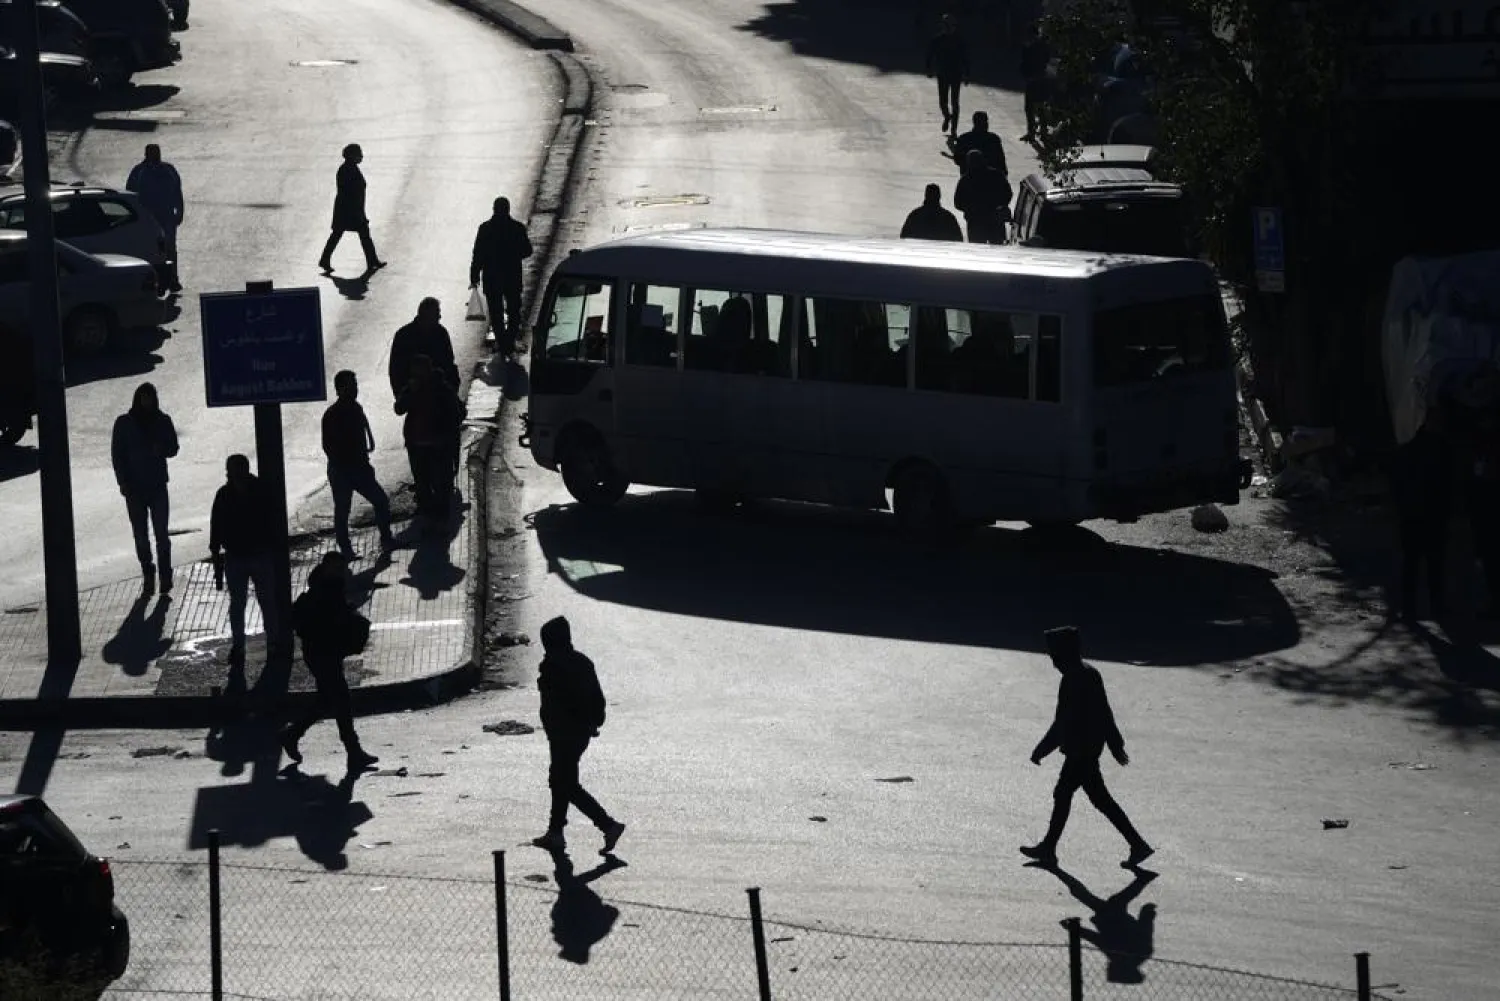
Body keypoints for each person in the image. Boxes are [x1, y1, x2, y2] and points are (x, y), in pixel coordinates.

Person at [1021, 626, 1153, 868]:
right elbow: (1105, 711)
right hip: (1088, 748)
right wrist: (1114, 742)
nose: (1052, 661)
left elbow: (1063, 722)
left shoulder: (1073, 679)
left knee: (1065, 794)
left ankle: (1049, 848)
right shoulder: (1090, 673)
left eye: (1054, 655)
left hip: (1080, 751)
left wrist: (1042, 749)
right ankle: (1137, 844)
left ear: (1064, 653)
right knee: (1098, 799)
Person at [531, 616, 626, 855]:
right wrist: (592, 722)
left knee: (566, 784)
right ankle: (555, 832)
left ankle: (607, 825)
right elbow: (597, 700)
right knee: (560, 780)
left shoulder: (555, 666)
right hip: (576, 733)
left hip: (564, 734)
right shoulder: (581, 662)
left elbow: (558, 704)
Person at [281, 552, 379, 772]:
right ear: (326, 567)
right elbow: (324, 621)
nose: (340, 572)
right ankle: (353, 752)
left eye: (341, 568)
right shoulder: (323, 591)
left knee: (327, 700)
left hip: (326, 652)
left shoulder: (330, 587)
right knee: (341, 700)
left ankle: (292, 734)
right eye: (336, 567)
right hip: (321, 653)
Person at [209, 454, 280, 671]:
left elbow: (216, 530)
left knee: (252, 602)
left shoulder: (228, 494)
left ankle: (252, 645)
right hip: (244, 555)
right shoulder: (255, 490)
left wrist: (216, 560)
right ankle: (262, 645)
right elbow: (216, 529)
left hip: (247, 555)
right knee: (256, 602)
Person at [110, 382, 179, 594]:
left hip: (157, 485)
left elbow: (174, 448)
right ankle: (148, 571)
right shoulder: (124, 423)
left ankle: (165, 576)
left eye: (150, 397)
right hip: (134, 489)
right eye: (143, 397)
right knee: (140, 535)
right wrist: (122, 482)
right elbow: (117, 455)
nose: (147, 401)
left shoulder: (163, 420)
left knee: (161, 535)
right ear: (137, 398)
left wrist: (162, 449)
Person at [1390, 402, 1456, 622]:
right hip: (1429, 515)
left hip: (1414, 515)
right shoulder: (1442, 450)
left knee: (1414, 564)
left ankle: (1411, 609)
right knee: (1431, 564)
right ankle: (1435, 608)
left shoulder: (1409, 450)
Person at [322, 370, 394, 559]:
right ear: (338, 389)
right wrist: (348, 464)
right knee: (343, 510)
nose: (354, 389)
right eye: (349, 385)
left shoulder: (356, 409)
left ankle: (386, 540)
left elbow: (365, 439)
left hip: (359, 468)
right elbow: (328, 446)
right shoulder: (333, 414)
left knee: (380, 501)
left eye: (355, 385)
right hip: (342, 470)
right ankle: (346, 549)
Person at [394, 354, 465, 526]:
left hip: (438, 446)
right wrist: (410, 391)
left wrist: (445, 434)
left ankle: (440, 522)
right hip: (417, 445)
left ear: (428, 370)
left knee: (441, 486)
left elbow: (457, 413)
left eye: (420, 371)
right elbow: (399, 408)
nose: (417, 375)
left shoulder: (442, 389)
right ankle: (428, 521)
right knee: (422, 485)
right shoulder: (412, 388)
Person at [469, 196, 534, 356]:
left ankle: (502, 341)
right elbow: (527, 251)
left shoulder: (485, 229)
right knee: (514, 311)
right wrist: (513, 254)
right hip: (512, 277)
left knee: (496, 313)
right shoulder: (517, 228)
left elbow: (478, 254)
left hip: (492, 278)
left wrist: (474, 275)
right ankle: (509, 341)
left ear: (494, 209)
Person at [125, 143, 184, 293]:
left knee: (170, 249)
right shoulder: (138, 171)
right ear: (146, 154)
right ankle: (155, 282)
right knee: (151, 250)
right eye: (152, 152)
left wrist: (180, 211)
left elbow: (177, 191)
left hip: (167, 217)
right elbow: (130, 195)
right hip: (148, 219)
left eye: (157, 152)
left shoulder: (168, 170)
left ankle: (173, 279)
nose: (155, 155)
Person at [318, 143, 385, 274]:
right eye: (359, 154)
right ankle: (372, 261)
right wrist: (358, 212)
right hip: (349, 210)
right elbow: (350, 192)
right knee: (357, 234)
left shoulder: (349, 168)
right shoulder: (347, 169)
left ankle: (372, 261)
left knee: (342, 234)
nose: (361, 156)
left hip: (349, 209)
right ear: (352, 156)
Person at [388, 297, 461, 400]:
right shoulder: (404, 336)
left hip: (439, 393)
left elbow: (449, 362)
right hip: (414, 395)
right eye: (436, 313)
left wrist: (452, 389)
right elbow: (396, 369)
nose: (440, 317)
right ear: (426, 315)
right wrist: (402, 395)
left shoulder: (441, 333)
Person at [953, 149, 1012, 244]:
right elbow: (1007, 194)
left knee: (977, 250)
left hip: (975, 222)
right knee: (997, 249)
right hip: (995, 220)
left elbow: (958, 202)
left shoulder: (966, 179)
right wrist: (999, 206)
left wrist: (970, 209)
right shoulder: (996, 175)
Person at [925, 14, 969, 136]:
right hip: (943, 73)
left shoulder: (959, 40)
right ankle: (947, 116)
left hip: (956, 73)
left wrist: (966, 73)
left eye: (952, 26)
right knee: (943, 102)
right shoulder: (937, 40)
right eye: (947, 26)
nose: (950, 28)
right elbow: (930, 55)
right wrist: (929, 68)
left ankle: (954, 128)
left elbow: (965, 57)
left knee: (955, 102)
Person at [1020, 25, 1052, 142]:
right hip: (1037, 78)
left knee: (1033, 107)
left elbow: (1025, 62)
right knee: (1036, 107)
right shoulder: (1042, 46)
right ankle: (1039, 132)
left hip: (1035, 79)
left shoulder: (1033, 47)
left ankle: (1034, 132)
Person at [953, 111, 1007, 179]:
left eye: (986, 121)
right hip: (990, 178)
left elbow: (957, 159)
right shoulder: (993, 139)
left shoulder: (964, 138)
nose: (987, 124)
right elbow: (1001, 160)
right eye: (984, 121)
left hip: (971, 178)